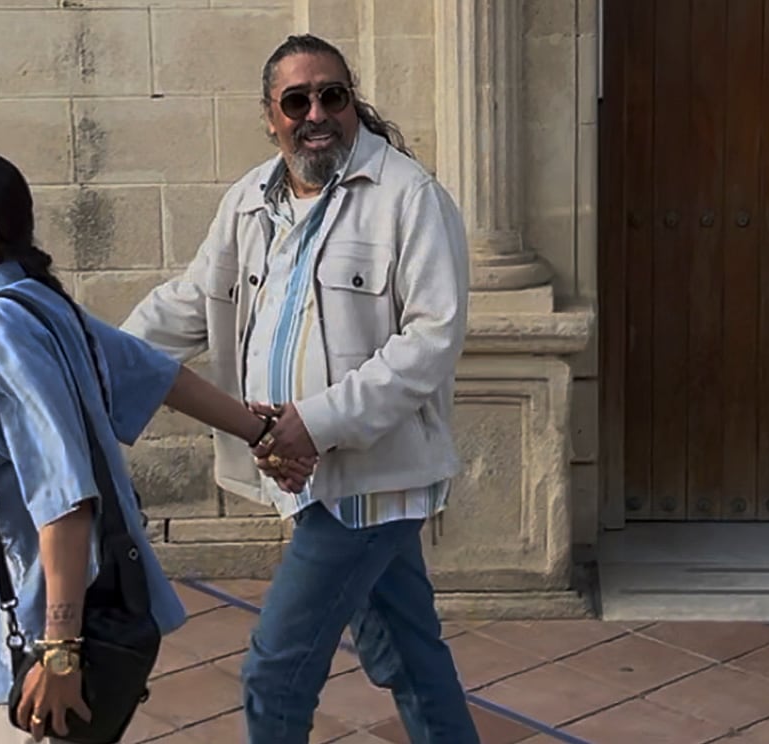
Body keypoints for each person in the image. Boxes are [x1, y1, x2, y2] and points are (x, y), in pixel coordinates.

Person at [0, 148, 310, 744]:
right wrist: (262, 434)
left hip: (36, 645)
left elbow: (66, 500)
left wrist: (60, 654)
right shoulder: (40, 304)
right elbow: (155, 373)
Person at [122, 34, 480, 744]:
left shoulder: (409, 198)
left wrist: (311, 423)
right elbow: (194, 301)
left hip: (368, 481)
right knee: (405, 653)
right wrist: (102, 357)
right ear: (270, 115)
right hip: (305, 478)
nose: (316, 113)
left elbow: (430, 342)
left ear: (353, 102)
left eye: (333, 96)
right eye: (297, 100)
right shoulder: (249, 201)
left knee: (274, 674)